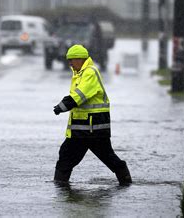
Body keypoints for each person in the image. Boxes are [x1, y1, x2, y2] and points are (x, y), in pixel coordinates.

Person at [53, 44, 132, 186]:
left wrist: (62, 106)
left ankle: (60, 187)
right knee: (69, 155)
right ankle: (60, 185)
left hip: (92, 126)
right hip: (85, 127)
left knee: (103, 155)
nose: (70, 63)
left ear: (81, 59)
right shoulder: (80, 73)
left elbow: (79, 96)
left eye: (72, 60)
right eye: (68, 60)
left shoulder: (90, 72)